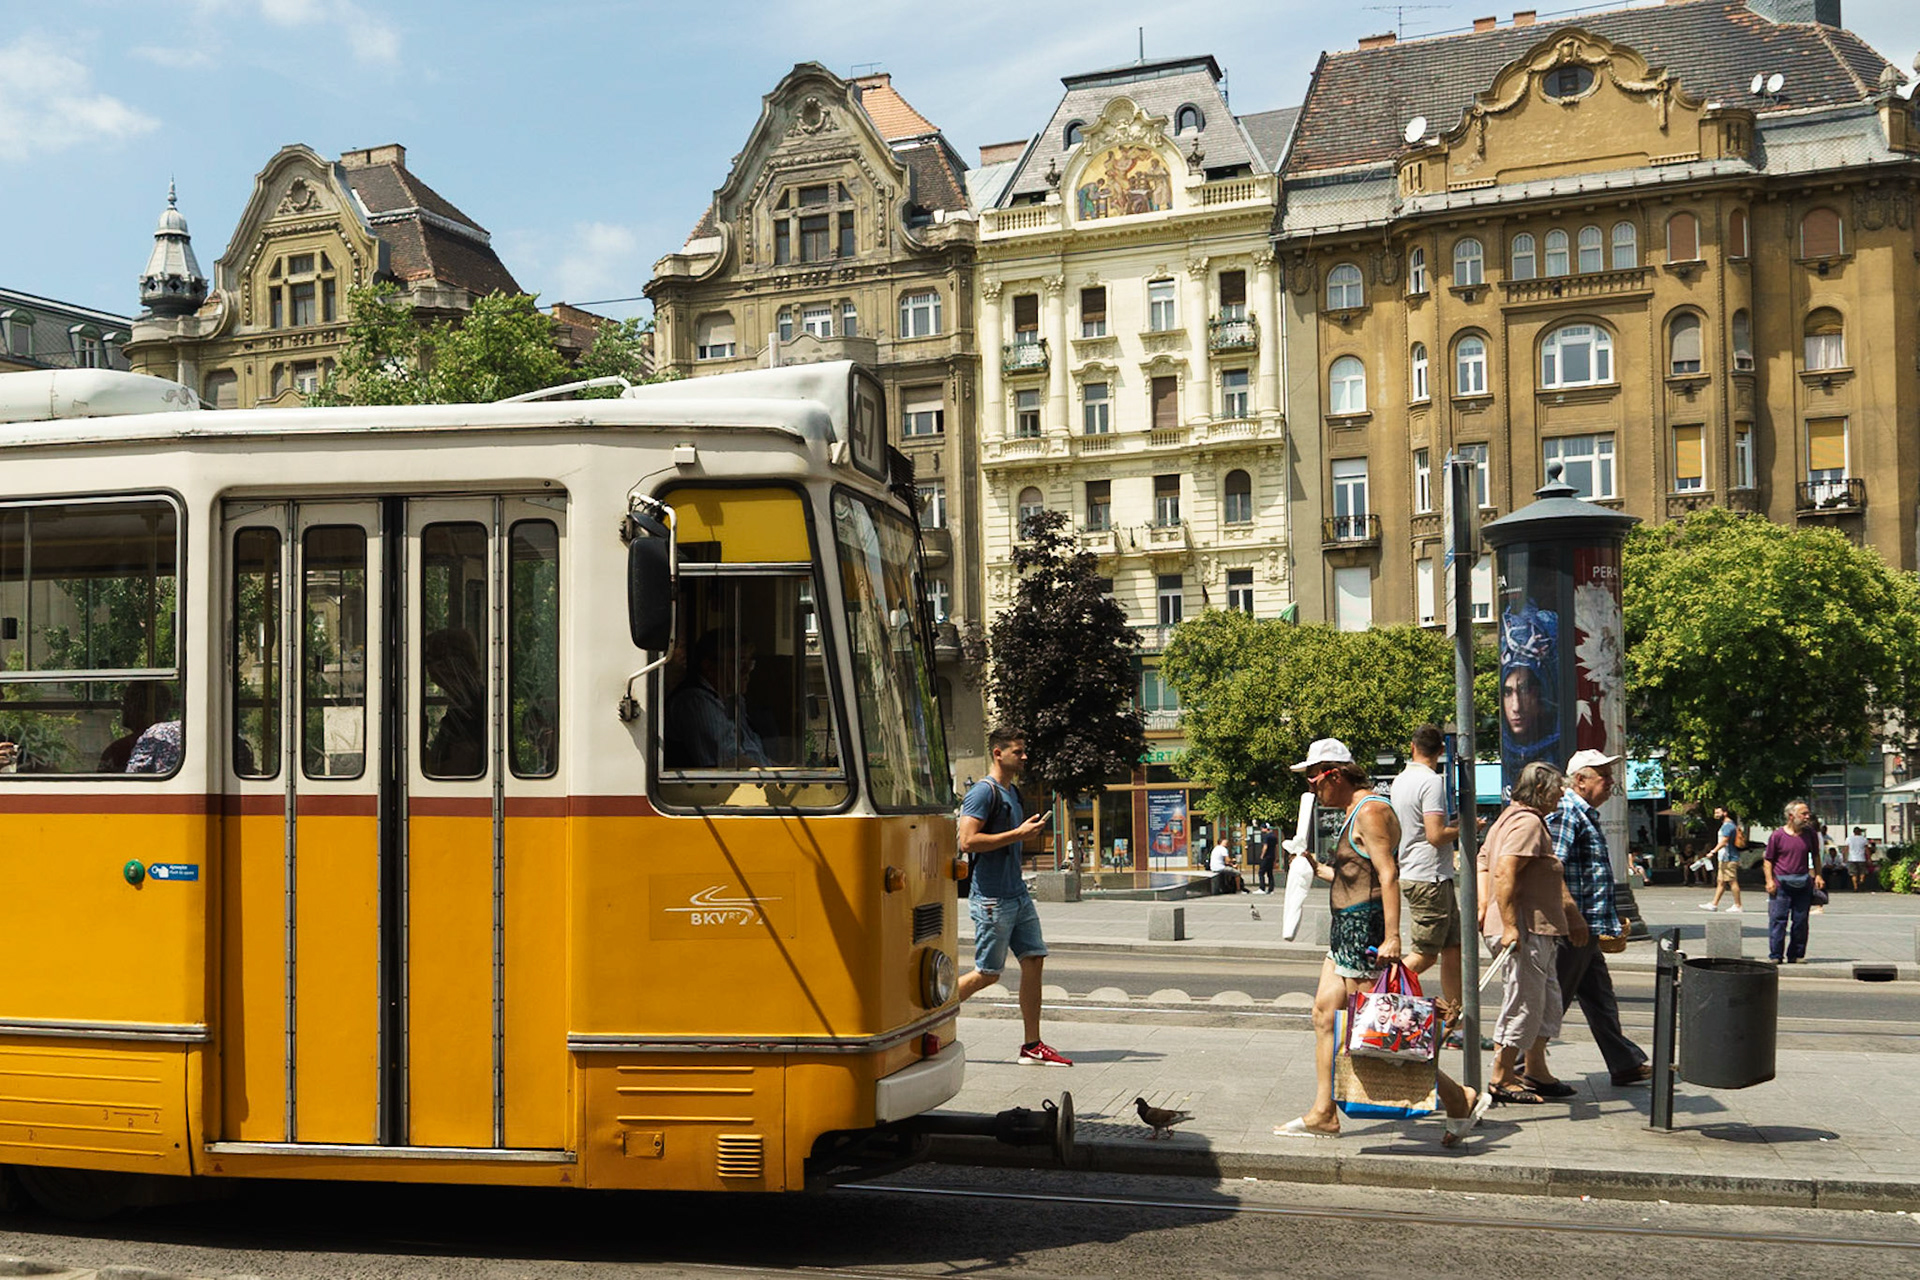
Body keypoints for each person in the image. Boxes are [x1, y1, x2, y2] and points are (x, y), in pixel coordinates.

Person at [1274, 738, 1488, 1144]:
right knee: (1323, 1014)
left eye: (1315, 781)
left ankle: (1458, 1097)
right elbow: (1357, 875)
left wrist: (1392, 937)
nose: (1312, 790)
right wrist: (1316, 869)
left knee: (1383, 1033)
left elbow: (1388, 875)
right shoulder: (1356, 810)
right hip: (1346, 933)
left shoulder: (1371, 811)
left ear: (1333, 775)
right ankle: (1323, 1112)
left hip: (1364, 935)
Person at [954, 726, 1070, 1067]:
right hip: (991, 898)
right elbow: (966, 842)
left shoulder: (1013, 793)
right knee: (988, 974)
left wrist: (1025, 833)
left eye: (1023, 750)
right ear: (998, 754)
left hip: (1017, 893)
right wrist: (1017, 833)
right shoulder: (981, 793)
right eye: (1017, 751)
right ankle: (928, 1015)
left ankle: (1032, 1045)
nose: (1024, 756)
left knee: (1034, 958)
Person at [1536, 750, 1651, 1089]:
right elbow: (1550, 867)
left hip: (1586, 927)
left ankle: (1624, 1063)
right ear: (1581, 781)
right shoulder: (1567, 812)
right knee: (1551, 1000)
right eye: (1605, 776)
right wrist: (1571, 916)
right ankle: (1517, 1066)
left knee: (1600, 996)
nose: (1612, 783)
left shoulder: (1583, 813)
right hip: (1573, 927)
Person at [1479, 761, 1585, 1104]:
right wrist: (1508, 924)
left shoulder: (1508, 819)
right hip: (1524, 930)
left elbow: (1483, 862)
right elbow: (1505, 872)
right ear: (1540, 791)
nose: (1562, 794)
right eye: (1557, 789)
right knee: (1523, 1003)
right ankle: (1501, 1077)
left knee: (1545, 1002)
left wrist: (1485, 906)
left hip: (1531, 928)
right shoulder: (1527, 823)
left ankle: (1535, 1070)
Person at [1389, 723, 1465, 1017]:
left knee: (1452, 948)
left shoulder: (1400, 780)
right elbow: (1435, 835)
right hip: (1428, 876)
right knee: (1425, 954)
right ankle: (1379, 998)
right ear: (1441, 751)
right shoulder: (1432, 782)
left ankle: (1454, 1017)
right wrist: (1462, 829)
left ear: (1413, 747)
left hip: (1421, 872)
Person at [664, 628, 769, 769]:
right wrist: (771, 778)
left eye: (749, 663)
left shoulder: (733, 699)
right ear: (709, 666)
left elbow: (751, 753)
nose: (746, 670)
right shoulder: (695, 702)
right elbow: (732, 762)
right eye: (738, 662)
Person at [1499, 603, 1561, 780]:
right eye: (1507, 692)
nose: (1516, 707)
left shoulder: (1558, 752)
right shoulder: (1509, 761)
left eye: (1526, 690)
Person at [1764, 800, 1826, 964]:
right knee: (1778, 920)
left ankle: (1797, 954)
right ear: (1791, 816)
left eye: (1808, 814)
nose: (1807, 817)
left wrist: (1818, 875)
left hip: (1803, 883)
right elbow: (1768, 860)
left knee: (1800, 921)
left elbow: (1816, 856)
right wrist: (1769, 881)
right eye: (1803, 814)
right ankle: (1776, 955)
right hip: (1781, 884)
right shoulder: (1777, 835)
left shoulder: (1810, 834)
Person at [422, 629, 486, 777]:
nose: (428, 672)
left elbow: (457, 770)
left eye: (428, 661)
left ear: (447, 664)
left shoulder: (468, 710)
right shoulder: (465, 703)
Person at [99, 681, 171, 772]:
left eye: (126, 702)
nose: (123, 708)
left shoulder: (119, 750)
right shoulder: (173, 744)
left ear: (137, 707)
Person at [1701, 806, 1744, 913]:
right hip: (1724, 858)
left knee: (1732, 881)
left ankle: (1738, 905)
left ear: (1725, 813)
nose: (1716, 815)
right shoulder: (1726, 825)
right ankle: (1714, 904)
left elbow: (1724, 841)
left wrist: (1713, 851)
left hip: (1729, 857)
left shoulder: (1728, 826)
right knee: (1721, 881)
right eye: (1715, 813)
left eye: (1718, 813)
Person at [1256, 823, 1279, 894]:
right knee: (1270, 873)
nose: (1261, 830)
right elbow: (1276, 847)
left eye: (1262, 828)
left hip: (1266, 856)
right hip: (1272, 856)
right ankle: (1271, 889)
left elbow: (1265, 846)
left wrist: (1262, 855)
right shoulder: (1274, 836)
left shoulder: (1266, 837)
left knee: (1261, 872)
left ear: (1266, 828)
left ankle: (1262, 888)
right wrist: (1277, 856)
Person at [1847, 826, 1870, 891]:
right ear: (1860, 832)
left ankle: (1855, 887)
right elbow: (1867, 849)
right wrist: (1869, 858)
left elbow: (1846, 848)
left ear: (1853, 832)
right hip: (1861, 858)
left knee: (1853, 873)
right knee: (1862, 872)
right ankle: (1861, 881)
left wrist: (1845, 857)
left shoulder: (1849, 839)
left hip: (1852, 858)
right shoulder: (1863, 839)